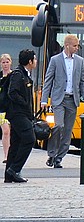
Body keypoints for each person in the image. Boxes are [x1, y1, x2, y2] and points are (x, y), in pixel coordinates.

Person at [41, 34, 84, 169]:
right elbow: (48, 80)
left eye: (77, 46)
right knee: (59, 126)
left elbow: (83, 81)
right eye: (75, 46)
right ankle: (52, 153)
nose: (77, 48)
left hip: (72, 100)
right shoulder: (55, 60)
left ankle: (59, 158)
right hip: (58, 99)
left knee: (68, 131)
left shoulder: (80, 61)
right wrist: (44, 100)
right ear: (67, 45)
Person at [5, 49, 37, 183]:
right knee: (30, 139)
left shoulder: (25, 74)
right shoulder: (18, 74)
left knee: (16, 143)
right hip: (18, 114)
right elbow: (12, 93)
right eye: (34, 59)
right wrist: (24, 104)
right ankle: (15, 169)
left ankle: (9, 175)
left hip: (22, 114)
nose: (35, 61)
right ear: (29, 61)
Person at [0, 53, 12, 165]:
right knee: (6, 131)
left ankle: (12, 154)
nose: (5, 64)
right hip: (1, 109)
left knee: (13, 132)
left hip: (12, 108)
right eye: (3, 62)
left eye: (7, 62)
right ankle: (6, 155)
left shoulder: (14, 76)